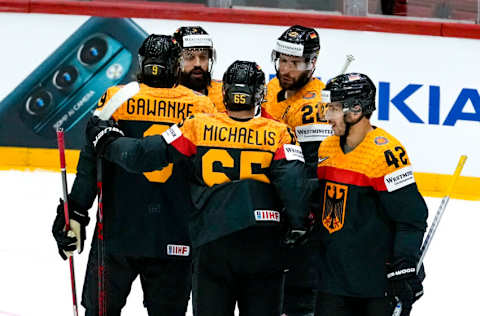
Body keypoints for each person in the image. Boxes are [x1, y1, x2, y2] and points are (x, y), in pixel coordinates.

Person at [86, 60, 311, 316]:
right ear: (259, 94)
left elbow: (142, 156)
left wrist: (106, 140)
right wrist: (298, 225)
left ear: (225, 92)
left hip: (212, 243)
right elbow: (294, 185)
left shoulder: (198, 126)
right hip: (262, 246)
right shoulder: (280, 133)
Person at [52, 34, 216, 316]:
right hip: (176, 232)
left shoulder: (117, 98)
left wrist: (75, 211)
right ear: (176, 65)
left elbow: (92, 159)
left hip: (118, 230)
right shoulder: (201, 106)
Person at [314, 73, 427, 316]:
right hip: (332, 281)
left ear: (356, 110)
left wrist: (405, 264)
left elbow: (411, 219)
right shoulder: (327, 147)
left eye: (333, 108)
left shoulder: (386, 154)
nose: (328, 117)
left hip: (375, 285)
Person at [262, 24, 329, 316]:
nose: (285, 69)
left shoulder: (316, 105)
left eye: (294, 63)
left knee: (298, 294)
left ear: (312, 63)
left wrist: (302, 214)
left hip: (297, 215)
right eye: (282, 61)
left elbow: (313, 170)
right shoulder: (271, 88)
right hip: (267, 206)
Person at [173, 26, 224, 111]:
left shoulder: (224, 94)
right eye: (189, 56)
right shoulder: (165, 94)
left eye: (203, 56)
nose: (198, 64)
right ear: (176, 60)